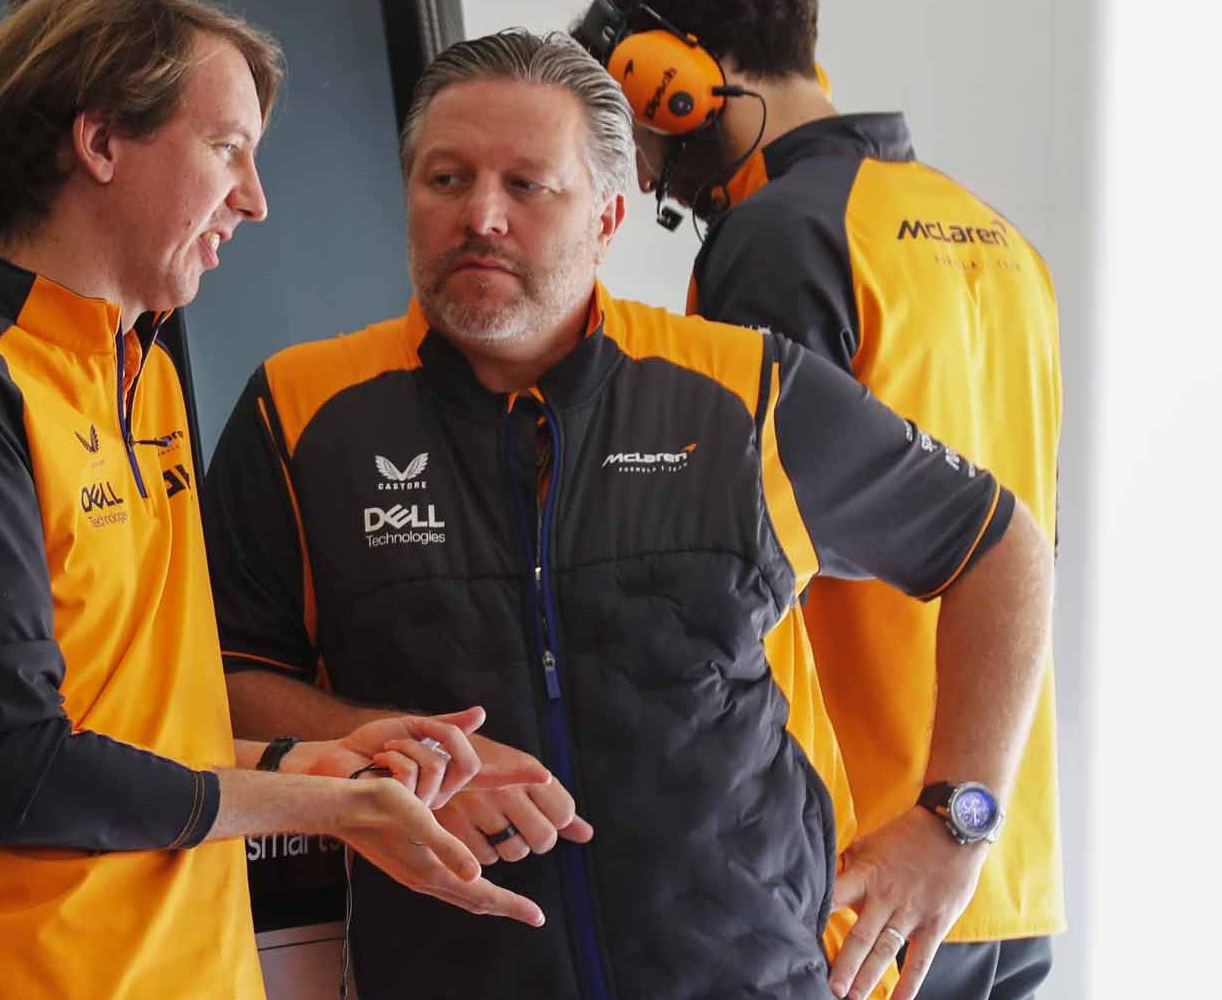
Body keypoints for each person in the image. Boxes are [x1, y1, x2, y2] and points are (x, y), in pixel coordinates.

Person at [204, 29, 1054, 1000]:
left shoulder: (743, 389)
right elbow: (225, 675)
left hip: (749, 973)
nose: (481, 216)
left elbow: (1002, 545)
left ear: (608, 218)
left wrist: (956, 821)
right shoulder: (302, 409)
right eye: (446, 178)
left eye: (528, 185)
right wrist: (390, 744)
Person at [0, 3, 551, 998]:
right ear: (102, 142)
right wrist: (317, 807)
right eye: (226, 149)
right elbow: (23, 777)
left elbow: (138, 734)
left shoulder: (147, 372)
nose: (254, 199)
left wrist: (316, 759)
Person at [577, 2, 1065, 997]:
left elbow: (734, 573)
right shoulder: (999, 239)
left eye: (644, 130)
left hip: (861, 871)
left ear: (679, 73)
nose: (648, 172)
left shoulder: (779, 240)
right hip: (993, 858)